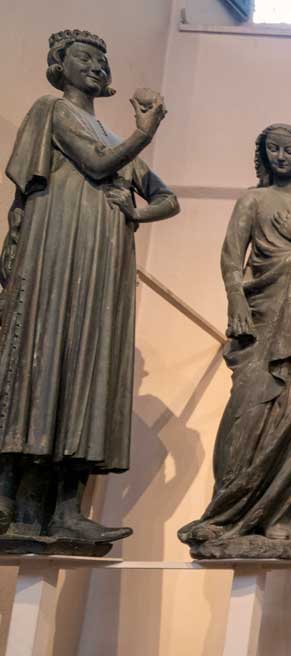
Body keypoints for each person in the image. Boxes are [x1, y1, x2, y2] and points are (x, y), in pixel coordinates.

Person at [0, 29, 177, 549]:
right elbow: (98, 164)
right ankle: (11, 501)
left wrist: (138, 211)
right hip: (56, 254)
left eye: (102, 59)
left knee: (84, 374)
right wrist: (144, 133)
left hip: (101, 267)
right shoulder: (52, 111)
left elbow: (168, 199)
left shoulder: (110, 138)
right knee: (39, 361)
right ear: (61, 66)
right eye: (85, 58)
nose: (96, 66)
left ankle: (68, 512)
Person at [178, 123, 291, 560]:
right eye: (273, 149)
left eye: (290, 150)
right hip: (266, 311)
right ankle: (225, 513)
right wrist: (236, 299)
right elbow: (232, 253)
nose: (281, 156)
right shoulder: (251, 200)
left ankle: (279, 516)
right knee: (247, 410)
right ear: (263, 154)